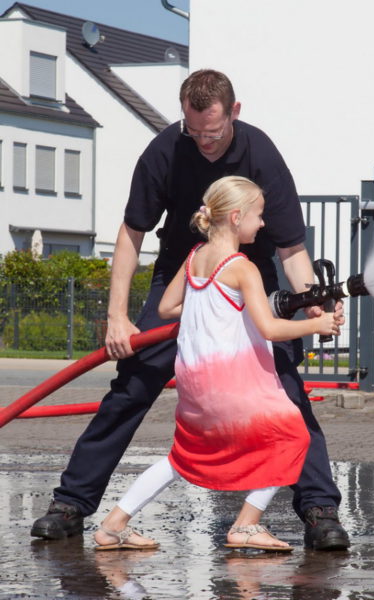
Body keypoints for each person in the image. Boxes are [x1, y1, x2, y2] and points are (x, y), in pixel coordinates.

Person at [31, 69, 351, 551]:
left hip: (248, 275)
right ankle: (70, 504)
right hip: (185, 270)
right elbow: (131, 232)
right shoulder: (164, 151)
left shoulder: (261, 154)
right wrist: (118, 316)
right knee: (134, 383)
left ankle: (320, 510)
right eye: (194, 131)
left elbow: (290, 250)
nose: (203, 141)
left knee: (283, 388)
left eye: (214, 133)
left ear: (234, 114)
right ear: (184, 117)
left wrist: (311, 300)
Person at [93, 176, 339, 553]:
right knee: (294, 437)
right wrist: (318, 324)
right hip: (234, 380)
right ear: (237, 217)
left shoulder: (195, 257)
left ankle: (114, 525)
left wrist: (218, 313)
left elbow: (166, 307)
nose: (263, 224)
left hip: (195, 379)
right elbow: (271, 328)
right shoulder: (243, 267)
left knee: (183, 458)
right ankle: (246, 524)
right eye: (258, 216)